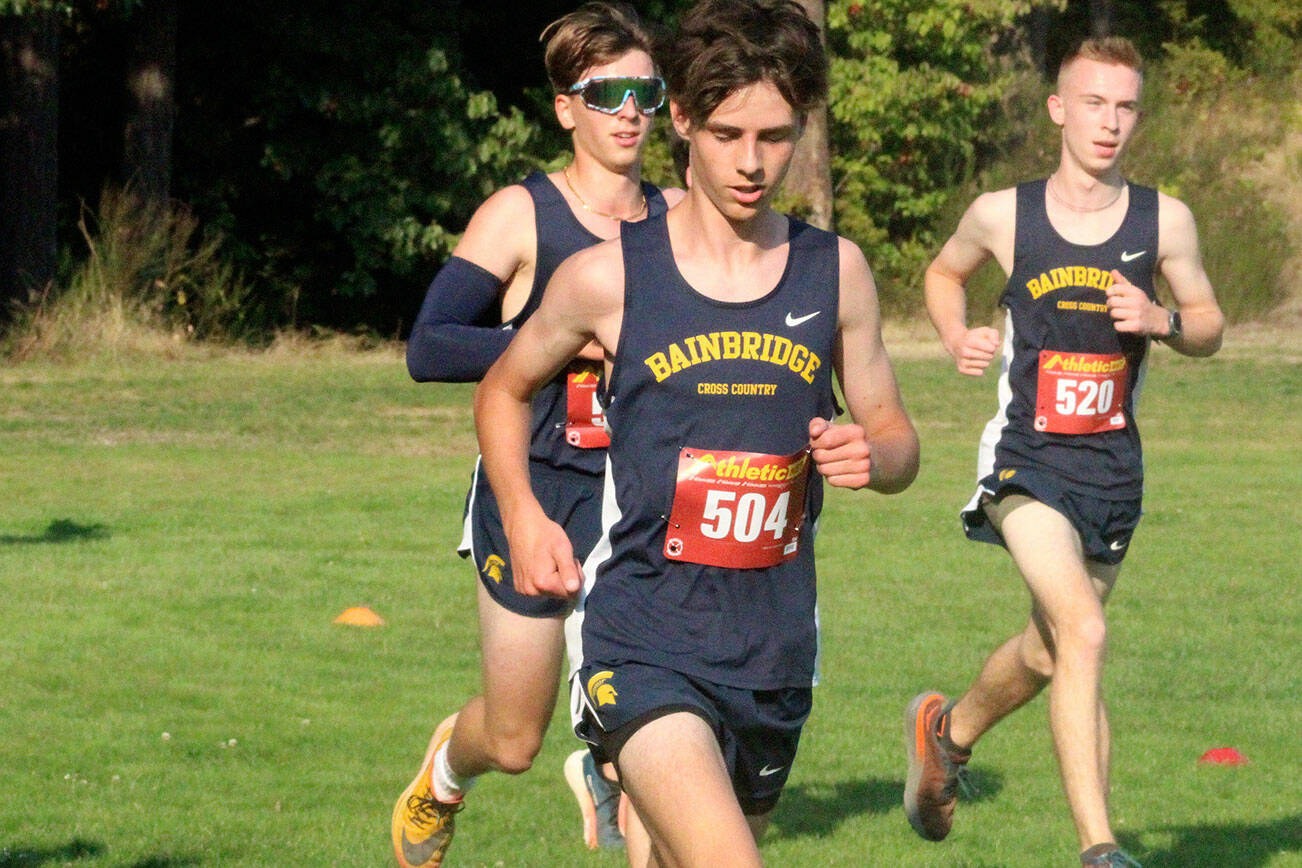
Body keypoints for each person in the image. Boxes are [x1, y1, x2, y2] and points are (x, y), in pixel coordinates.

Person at [474, 1, 920, 865]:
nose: (753, 163)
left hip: (774, 651)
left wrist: (878, 455)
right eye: (726, 134)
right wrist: (526, 519)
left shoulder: (838, 273)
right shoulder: (607, 277)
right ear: (680, 119)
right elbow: (502, 390)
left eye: (776, 136)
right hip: (642, 637)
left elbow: (897, 435)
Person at [905, 36, 1224, 868]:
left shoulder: (1167, 221)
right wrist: (955, 332)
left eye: (1125, 107)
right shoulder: (1004, 214)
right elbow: (944, 275)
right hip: (1024, 461)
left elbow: (1210, 324)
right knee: (1082, 631)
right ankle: (1099, 848)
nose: (1108, 123)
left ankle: (951, 732)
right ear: (1058, 108)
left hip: (1113, 469)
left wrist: (1163, 323)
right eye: (1093, 103)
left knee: (1051, 650)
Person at [391, 5, 684, 867]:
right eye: (607, 95)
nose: (630, 111)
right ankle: (446, 773)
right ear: (566, 108)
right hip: (538, 488)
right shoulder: (523, 214)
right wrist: (562, 339)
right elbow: (430, 345)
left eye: (647, 92)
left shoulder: (679, 216)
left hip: (640, 499)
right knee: (514, 739)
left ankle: (613, 759)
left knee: (653, 724)